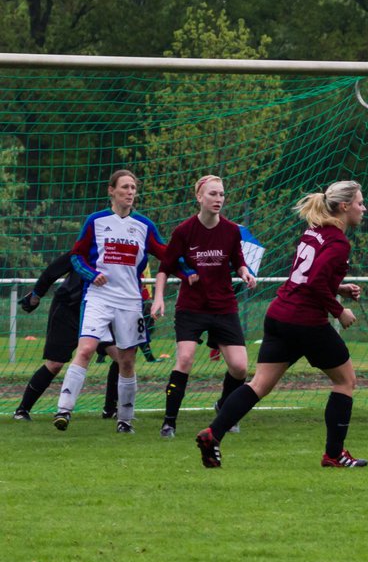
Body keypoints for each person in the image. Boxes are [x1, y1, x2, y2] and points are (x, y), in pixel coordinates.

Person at [196, 180, 367, 469]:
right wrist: (339, 311)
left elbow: (308, 277)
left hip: (279, 315)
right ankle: (334, 454)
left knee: (259, 384)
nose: (364, 209)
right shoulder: (338, 242)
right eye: (360, 203)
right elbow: (313, 283)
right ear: (344, 206)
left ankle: (213, 433)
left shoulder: (314, 231)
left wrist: (338, 288)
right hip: (305, 322)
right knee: (345, 381)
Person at [54, 169, 167, 433]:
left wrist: (191, 269)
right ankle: (63, 410)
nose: (130, 192)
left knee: (127, 360)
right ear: (111, 190)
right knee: (85, 349)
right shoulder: (95, 221)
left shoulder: (145, 226)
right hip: (98, 297)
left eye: (133, 188)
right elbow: (76, 257)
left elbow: (166, 254)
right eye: (125, 187)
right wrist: (91, 275)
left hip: (130, 301)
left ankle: (125, 419)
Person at [150, 175, 258, 439]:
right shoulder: (184, 231)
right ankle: (169, 422)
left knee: (240, 367)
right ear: (199, 197)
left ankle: (224, 407)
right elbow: (164, 268)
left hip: (223, 306)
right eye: (212, 194)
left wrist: (245, 272)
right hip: (192, 307)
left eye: (221, 194)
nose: (218, 199)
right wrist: (159, 298)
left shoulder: (232, 230)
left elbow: (238, 261)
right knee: (185, 358)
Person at [12, 253, 121, 421]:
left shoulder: (120, 253)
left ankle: (110, 410)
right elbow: (51, 272)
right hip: (68, 309)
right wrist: (36, 296)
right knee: (55, 364)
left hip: (99, 312)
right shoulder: (84, 250)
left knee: (122, 358)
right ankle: (22, 410)